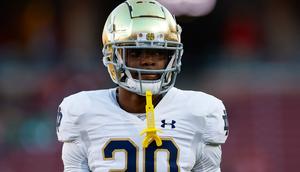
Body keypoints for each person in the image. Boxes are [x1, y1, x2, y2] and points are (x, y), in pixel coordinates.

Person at [56, 0, 229, 171]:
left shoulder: (199, 112)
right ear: (113, 56)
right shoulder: (83, 112)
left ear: (172, 56)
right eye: (135, 52)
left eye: (159, 52)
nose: (148, 61)